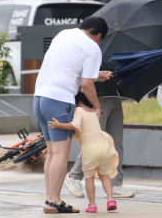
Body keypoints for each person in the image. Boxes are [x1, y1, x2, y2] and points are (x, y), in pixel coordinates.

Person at [33, 16, 110, 213]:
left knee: (51, 152)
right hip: (59, 101)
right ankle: (54, 200)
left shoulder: (64, 34)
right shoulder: (93, 48)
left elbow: (69, 68)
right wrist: (96, 106)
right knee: (60, 153)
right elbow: (86, 84)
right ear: (99, 35)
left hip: (40, 97)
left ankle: (50, 199)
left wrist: (96, 75)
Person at [64, 63, 135, 199]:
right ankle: (74, 176)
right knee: (94, 140)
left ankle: (116, 184)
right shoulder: (94, 48)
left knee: (116, 142)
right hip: (98, 96)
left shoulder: (119, 44)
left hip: (116, 96)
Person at [49, 92, 119, 213]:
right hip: (103, 146)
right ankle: (111, 199)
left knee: (89, 178)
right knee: (104, 176)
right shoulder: (93, 112)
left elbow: (75, 125)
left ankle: (92, 205)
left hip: (90, 149)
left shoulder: (78, 111)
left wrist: (58, 125)